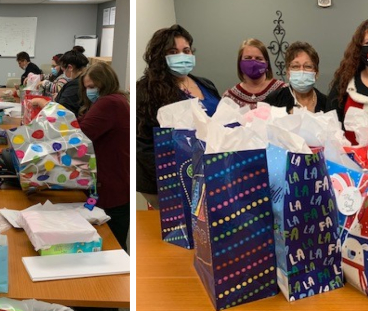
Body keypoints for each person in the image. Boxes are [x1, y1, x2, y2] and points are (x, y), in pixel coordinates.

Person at [136, 24, 220, 208]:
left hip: (211, 174)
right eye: (173, 51)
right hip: (170, 179)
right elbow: (143, 145)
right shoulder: (146, 90)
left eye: (186, 50)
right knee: (177, 233)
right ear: (161, 56)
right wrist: (170, 182)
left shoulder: (205, 84)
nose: (182, 56)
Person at [76, 62, 130, 251]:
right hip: (111, 185)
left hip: (109, 188)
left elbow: (80, 136)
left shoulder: (109, 103)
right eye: (86, 88)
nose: (89, 91)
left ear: (104, 83)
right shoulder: (116, 101)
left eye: (92, 87)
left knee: (111, 244)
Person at [265, 41, 330, 113]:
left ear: (316, 74)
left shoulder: (327, 104)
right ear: (288, 73)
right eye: (295, 66)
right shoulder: (274, 100)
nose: (301, 71)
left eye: (308, 66)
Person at [222, 39, 285, 109]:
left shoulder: (283, 91)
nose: (253, 62)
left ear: (266, 64)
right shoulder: (230, 97)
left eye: (258, 58)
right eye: (248, 58)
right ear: (240, 63)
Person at [53, 46, 90, 113]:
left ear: (70, 67)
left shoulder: (75, 85)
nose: (64, 73)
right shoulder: (84, 80)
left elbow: (62, 112)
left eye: (63, 70)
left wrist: (41, 102)